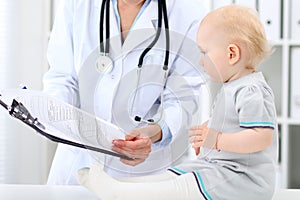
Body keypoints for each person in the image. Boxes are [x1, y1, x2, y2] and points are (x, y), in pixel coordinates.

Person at [77, 4, 278, 200]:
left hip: (243, 180)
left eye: (204, 52)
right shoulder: (234, 87)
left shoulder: (252, 91)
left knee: (183, 187)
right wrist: (209, 135)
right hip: (222, 168)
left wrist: (216, 140)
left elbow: (261, 138)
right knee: (179, 172)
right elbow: (234, 126)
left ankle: (120, 194)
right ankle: (124, 186)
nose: (200, 61)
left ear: (231, 54)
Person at [43, 0, 207, 184]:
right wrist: (58, 119)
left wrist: (153, 133)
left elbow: (183, 95)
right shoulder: (77, 4)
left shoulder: (187, 11)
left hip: (141, 168)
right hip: (77, 160)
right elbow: (62, 77)